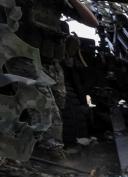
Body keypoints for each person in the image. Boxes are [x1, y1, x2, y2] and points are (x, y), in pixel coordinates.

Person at [10, 0, 98, 152]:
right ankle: (52, 152)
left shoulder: (59, 3)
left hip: (50, 62)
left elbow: (92, 22)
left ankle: (32, 146)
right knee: (46, 109)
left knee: (59, 106)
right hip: (22, 58)